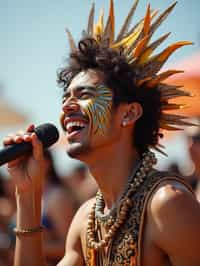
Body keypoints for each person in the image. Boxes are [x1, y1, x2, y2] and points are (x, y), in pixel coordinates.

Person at [3, 1, 200, 266]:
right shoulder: (87, 219)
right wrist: (27, 194)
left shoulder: (167, 205)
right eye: (66, 97)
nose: (67, 106)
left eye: (84, 94)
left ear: (129, 114)